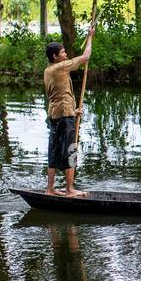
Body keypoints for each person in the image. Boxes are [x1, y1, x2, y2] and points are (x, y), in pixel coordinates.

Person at [43, 27, 93, 196]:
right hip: (64, 115)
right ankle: (70, 189)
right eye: (63, 53)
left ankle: (50, 189)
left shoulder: (48, 70)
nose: (65, 55)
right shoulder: (60, 68)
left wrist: (74, 110)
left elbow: (59, 94)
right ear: (55, 57)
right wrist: (90, 37)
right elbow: (85, 57)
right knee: (71, 148)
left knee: (54, 150)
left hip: (56, 114)